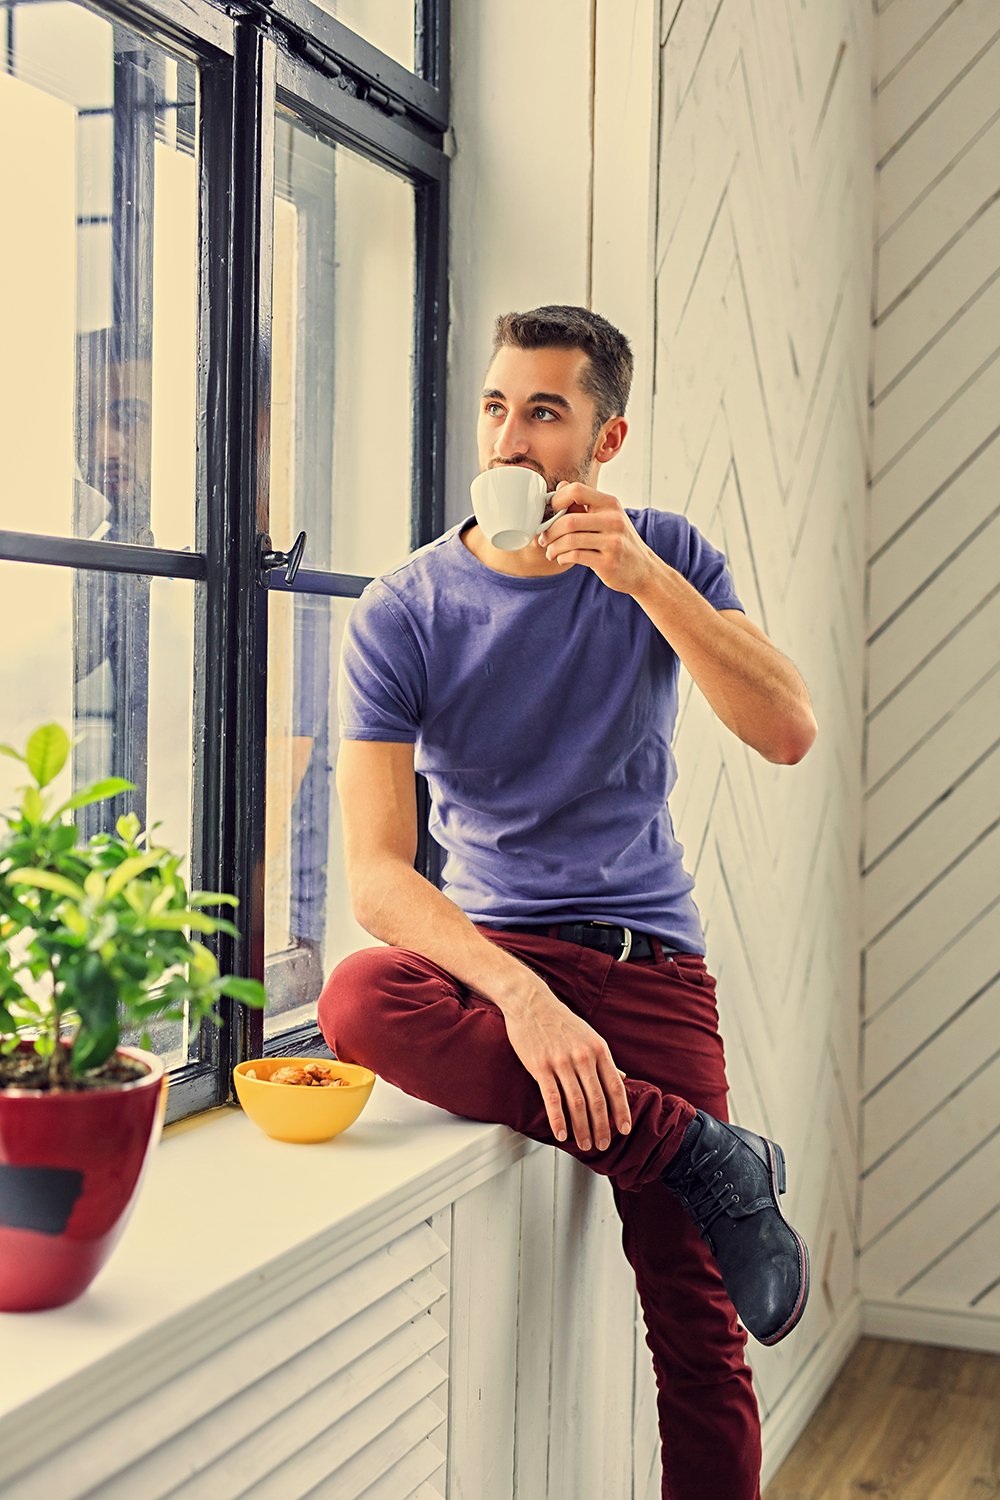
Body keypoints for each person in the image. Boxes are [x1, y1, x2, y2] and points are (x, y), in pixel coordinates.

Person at [317, 305, 818, 1500]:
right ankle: (701, 1155)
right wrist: (521, 995)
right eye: (497, 405)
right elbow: (382, 875)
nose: (510, 437)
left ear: (605, 438)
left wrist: (644, 579)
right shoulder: (404, 610)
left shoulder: (666, 557)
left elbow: (788, 729)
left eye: (545, 412)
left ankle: (695, 1161)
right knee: (355, 997)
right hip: (492, 964)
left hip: (652, 965)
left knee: (701, 1337)